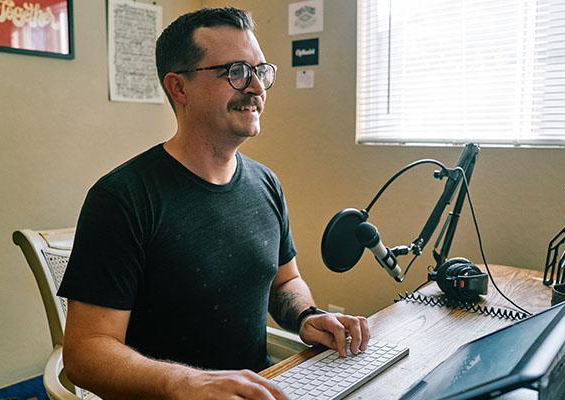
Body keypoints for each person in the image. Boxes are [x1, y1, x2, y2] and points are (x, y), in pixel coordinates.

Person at [57, 7, 370, 400]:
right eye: (236, 72)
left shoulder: (265, 184)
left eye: (261, 71)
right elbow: (85, 354)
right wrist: (184, 382)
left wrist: (308, 317)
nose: (256, 87)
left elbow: (284, 280)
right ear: (179, 88)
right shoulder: (122, 199)